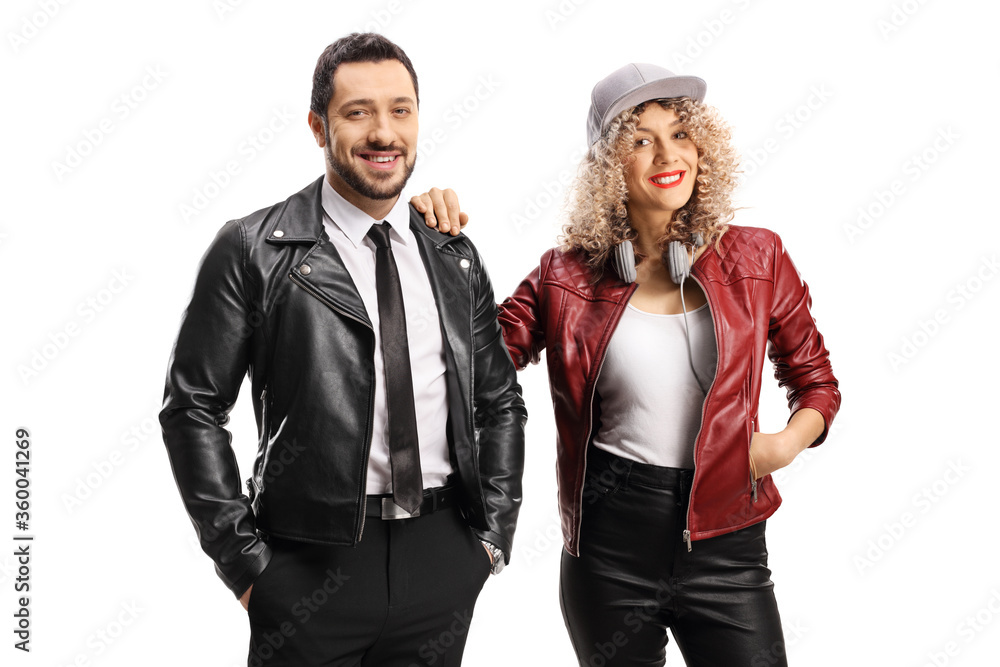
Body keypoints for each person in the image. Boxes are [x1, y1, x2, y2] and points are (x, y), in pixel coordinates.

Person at [413, 63, 841, 666]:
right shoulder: (563, 276)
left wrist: (783, 445)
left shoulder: (759, 255)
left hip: (728, 547)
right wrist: (435, 249)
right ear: (610, 166)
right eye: (641, 139)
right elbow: (473, 366)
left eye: (680, 133)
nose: (669, 153)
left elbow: (815, 380)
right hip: (607, 555)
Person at [159, 32, 526, 667]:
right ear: (318, 126)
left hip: (442, 558)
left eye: (400, 110)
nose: (383, 132)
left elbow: (500, 403)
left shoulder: (452, 253)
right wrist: (248, 568)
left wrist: (491, 537)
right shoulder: (255, 249)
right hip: (306, 565)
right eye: (358, 112)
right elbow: (191, 408)